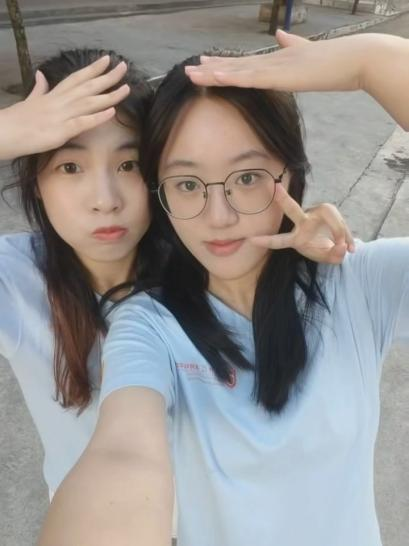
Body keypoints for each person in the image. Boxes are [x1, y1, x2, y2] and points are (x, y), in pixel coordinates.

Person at [37, 35, 403, 546]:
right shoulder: (148, 326)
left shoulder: (358, 283)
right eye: (187, 184)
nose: (219, 216)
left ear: (291, 174)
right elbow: (122, 454)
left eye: (248, 177)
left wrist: (370, 61)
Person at [0, 48, 163, 504]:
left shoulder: (204, 261)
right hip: (84, 521)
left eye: (129, 164)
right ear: (36, 182)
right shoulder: (16, 280)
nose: (105, 200)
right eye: (70, 167)